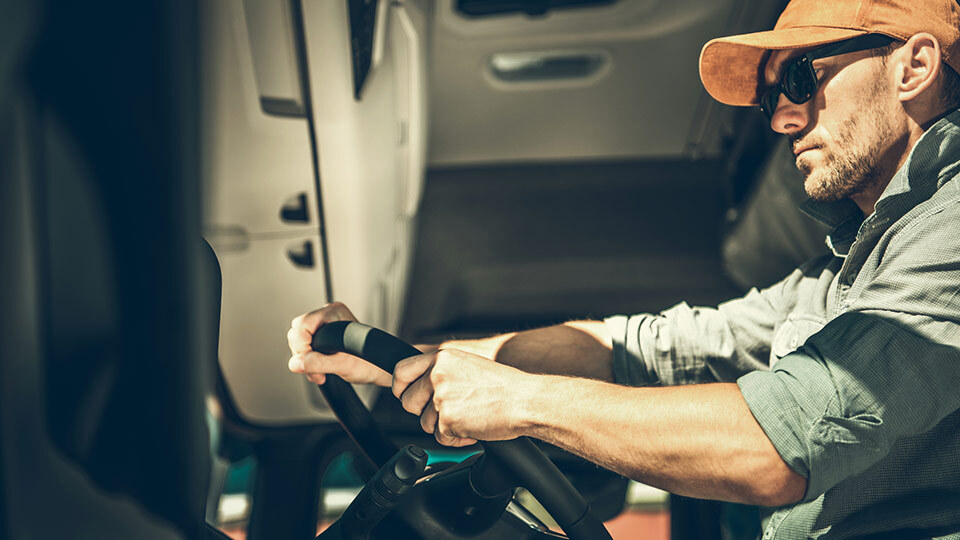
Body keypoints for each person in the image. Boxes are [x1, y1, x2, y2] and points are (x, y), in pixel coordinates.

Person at [287, 0, 960, 536]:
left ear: (915, 65)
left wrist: (519, 403)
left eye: (798, 78)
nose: (782, 116)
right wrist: (414, 362)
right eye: (771, 99)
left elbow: (777, 449)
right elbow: (651, 351)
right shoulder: (839, 277)